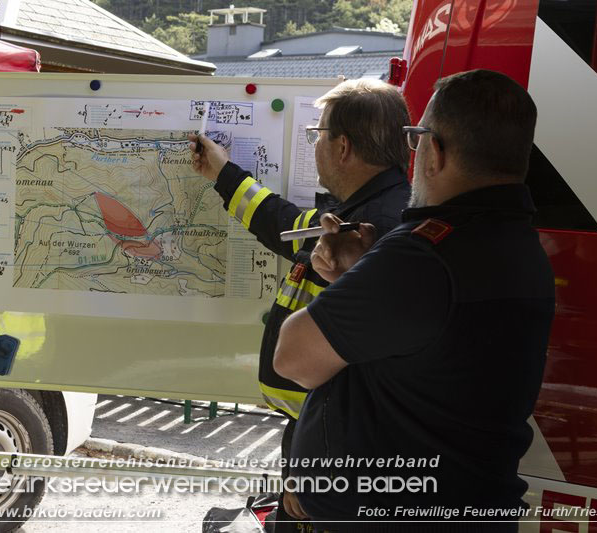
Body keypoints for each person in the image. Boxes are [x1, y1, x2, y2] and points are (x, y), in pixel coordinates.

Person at [273, 69, 556, 532]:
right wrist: (362, 273)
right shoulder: (519, 246)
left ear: (435, 151)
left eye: (416, 138)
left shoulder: (426, 254)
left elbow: (294, 358)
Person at [188, 79, 411, 529]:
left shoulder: (380, 229)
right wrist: (223, 174)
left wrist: (320, 472)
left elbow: (370, 379)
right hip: (321, 435)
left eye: (318, 135)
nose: (315, 145)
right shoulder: (362, 212)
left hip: (340, 453)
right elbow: (285, 225)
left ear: (342, 146)